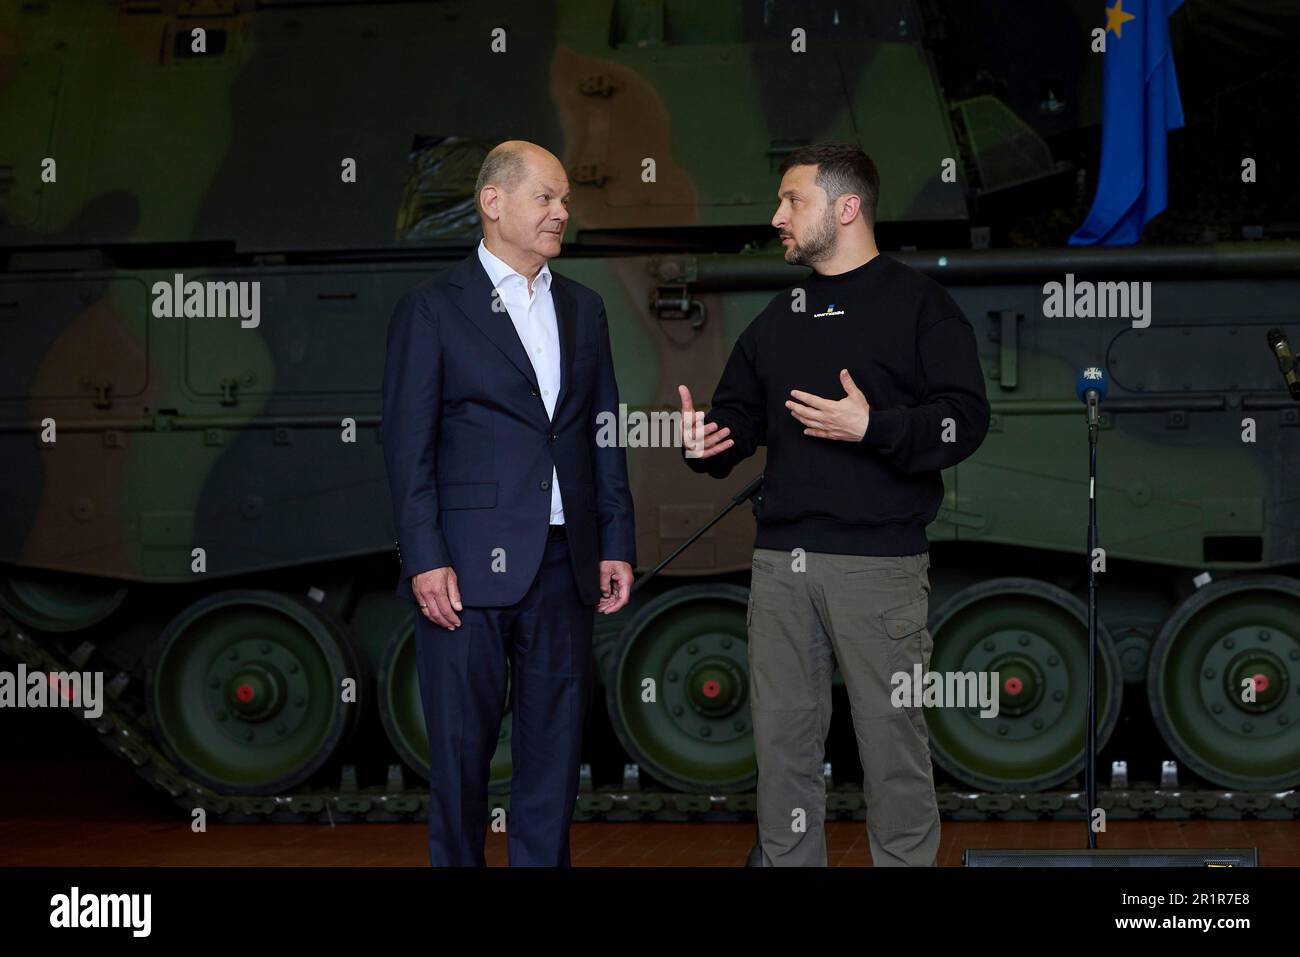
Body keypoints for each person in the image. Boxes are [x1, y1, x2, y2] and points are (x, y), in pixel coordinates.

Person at [679, 143, 990, 866]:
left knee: (893, 750)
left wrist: (872, 425)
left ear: (846, 209)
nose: (776, 216)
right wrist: (703, 442)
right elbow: (736, 423)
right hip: (779, 569)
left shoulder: (922, 305)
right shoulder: (779, 316)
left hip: (877, 567)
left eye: (793, 201)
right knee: (783, 751)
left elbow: (963, 419)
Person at [382, 140, 635, 866]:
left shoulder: (585, 310)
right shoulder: (432, 310)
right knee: (460, 757)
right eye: (546, 198)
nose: (562, 212)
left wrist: (615, 537)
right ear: (493, 203)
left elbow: (601, 432)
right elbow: (408, 449)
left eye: (564, 201)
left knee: (553, 757)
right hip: (464, 573)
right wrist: (425, 558)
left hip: (565, 567)